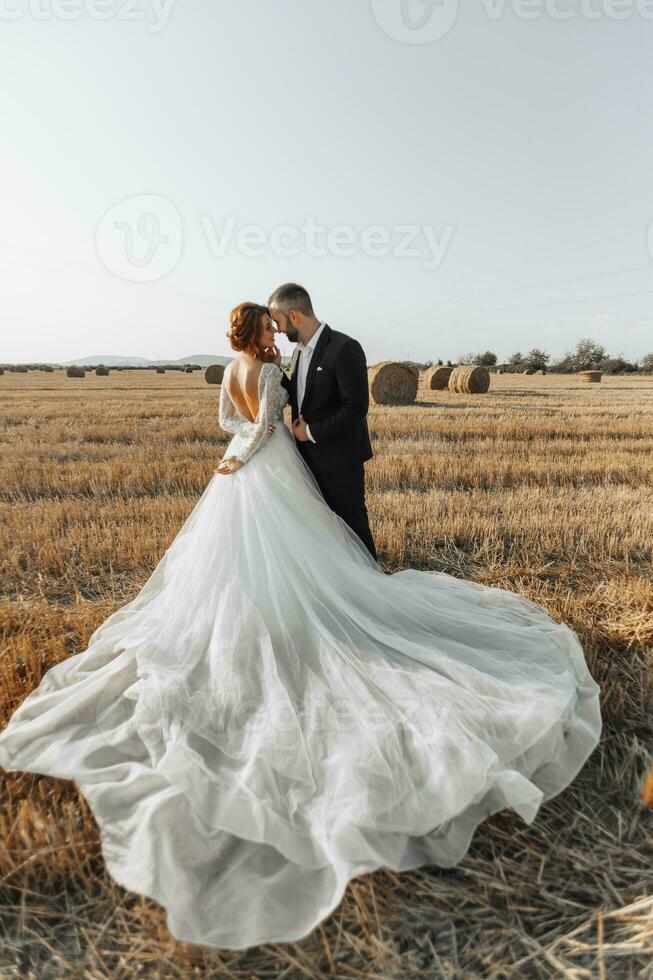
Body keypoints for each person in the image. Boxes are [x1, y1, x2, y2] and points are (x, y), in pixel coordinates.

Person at [0, 300, 602, 952]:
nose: (274, 333)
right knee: (306, 558)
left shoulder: (229, 366)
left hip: (234, 474)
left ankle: (267, 617)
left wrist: (231, 455)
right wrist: (262, 444)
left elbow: (226, 420)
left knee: (239, 567)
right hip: (266, 467)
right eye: (268, 326)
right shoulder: (262, 369)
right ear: (258, 331)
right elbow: (260, 424)